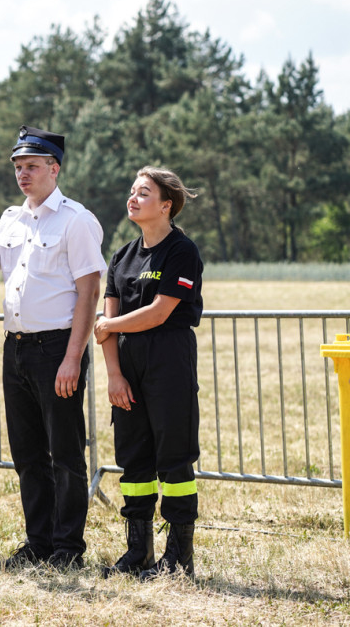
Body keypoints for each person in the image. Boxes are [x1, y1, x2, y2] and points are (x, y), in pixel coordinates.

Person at [0, 126, 106, 570]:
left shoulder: (76, 220)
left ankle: (67, 547)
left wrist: (73, 357)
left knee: (65, 453)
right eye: (18, 167)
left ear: (55, 168)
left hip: (58, 347)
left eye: (32, 166)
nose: (23, 174)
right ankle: (38, 542)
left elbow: (89, 293)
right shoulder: (11, 219)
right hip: (15, 349)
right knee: (28, 453)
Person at [94, 166, 202, 580]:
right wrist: (114, 376)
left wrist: (109, 327)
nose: (133, 198)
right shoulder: (122, 257)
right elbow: (108, 321)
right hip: (126, 364)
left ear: (166, 205)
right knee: (134, 459)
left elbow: (159, 313)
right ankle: (138, 551)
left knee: (173, 459)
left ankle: (179, 559)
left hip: (168, 360)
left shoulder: (182, 251)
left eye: (144, 193)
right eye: (132, 191)